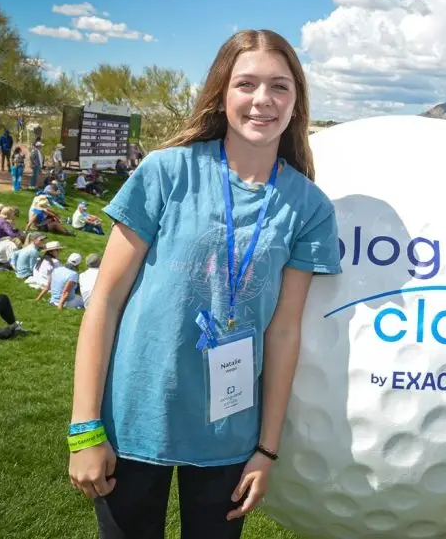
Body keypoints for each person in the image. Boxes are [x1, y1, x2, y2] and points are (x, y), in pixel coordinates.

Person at [67, 29, 342, 539]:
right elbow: (104, 300)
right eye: (246, 84)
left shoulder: (309, 207)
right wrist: (85, 428)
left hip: (229, 435)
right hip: (132, 423)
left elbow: (284, 332)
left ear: (297, 100)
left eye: (280, 86)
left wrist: (267, 448)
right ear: (221, 94)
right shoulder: (166, 173)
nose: (263, 100)